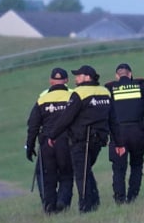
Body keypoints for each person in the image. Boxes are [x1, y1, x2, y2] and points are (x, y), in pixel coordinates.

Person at [45, 65, 124, 213]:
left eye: (78, 75)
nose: (76, 79)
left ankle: (86, 207)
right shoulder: (105, 92)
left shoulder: (79, 93)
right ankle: (95, 201)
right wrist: (119, 143)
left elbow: (66, 118)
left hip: (81, 140)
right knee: (86, 170)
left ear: (87, 77)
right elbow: (113, 120)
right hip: (99, 141)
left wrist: (52, 134)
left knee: (81, 174)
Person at [106, 63, 144, 203]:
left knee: (119, 169)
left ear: (117, 76)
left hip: (118, 134)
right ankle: (132, 197)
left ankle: (120, 200)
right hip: (138, 133)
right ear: (130, 74)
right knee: (136, 165)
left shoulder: (110, 90)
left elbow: (105, 114)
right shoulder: (141, 87)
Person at [26, 67, 74, 213]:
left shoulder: (42, 99)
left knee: (48, 176)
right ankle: (62, 202)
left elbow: (33, 125)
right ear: (66, 81)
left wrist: (30, 146)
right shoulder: (73, 97)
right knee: (67, 175)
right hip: (67, 142)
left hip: (47, 143)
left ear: (51, 81)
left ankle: (49, 206)